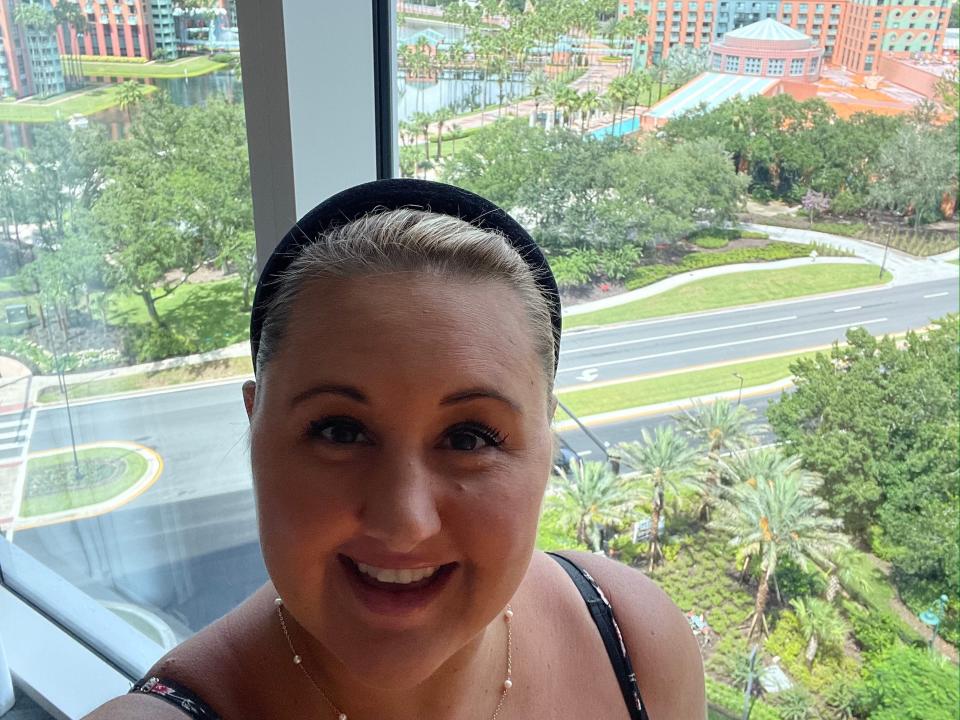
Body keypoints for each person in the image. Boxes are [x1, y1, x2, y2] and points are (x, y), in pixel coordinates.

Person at [85, 179, 705, 720]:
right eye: (339, 431)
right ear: (256, 427)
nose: (404, 521)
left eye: (470, 438)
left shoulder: (634, 638)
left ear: (547, 444)